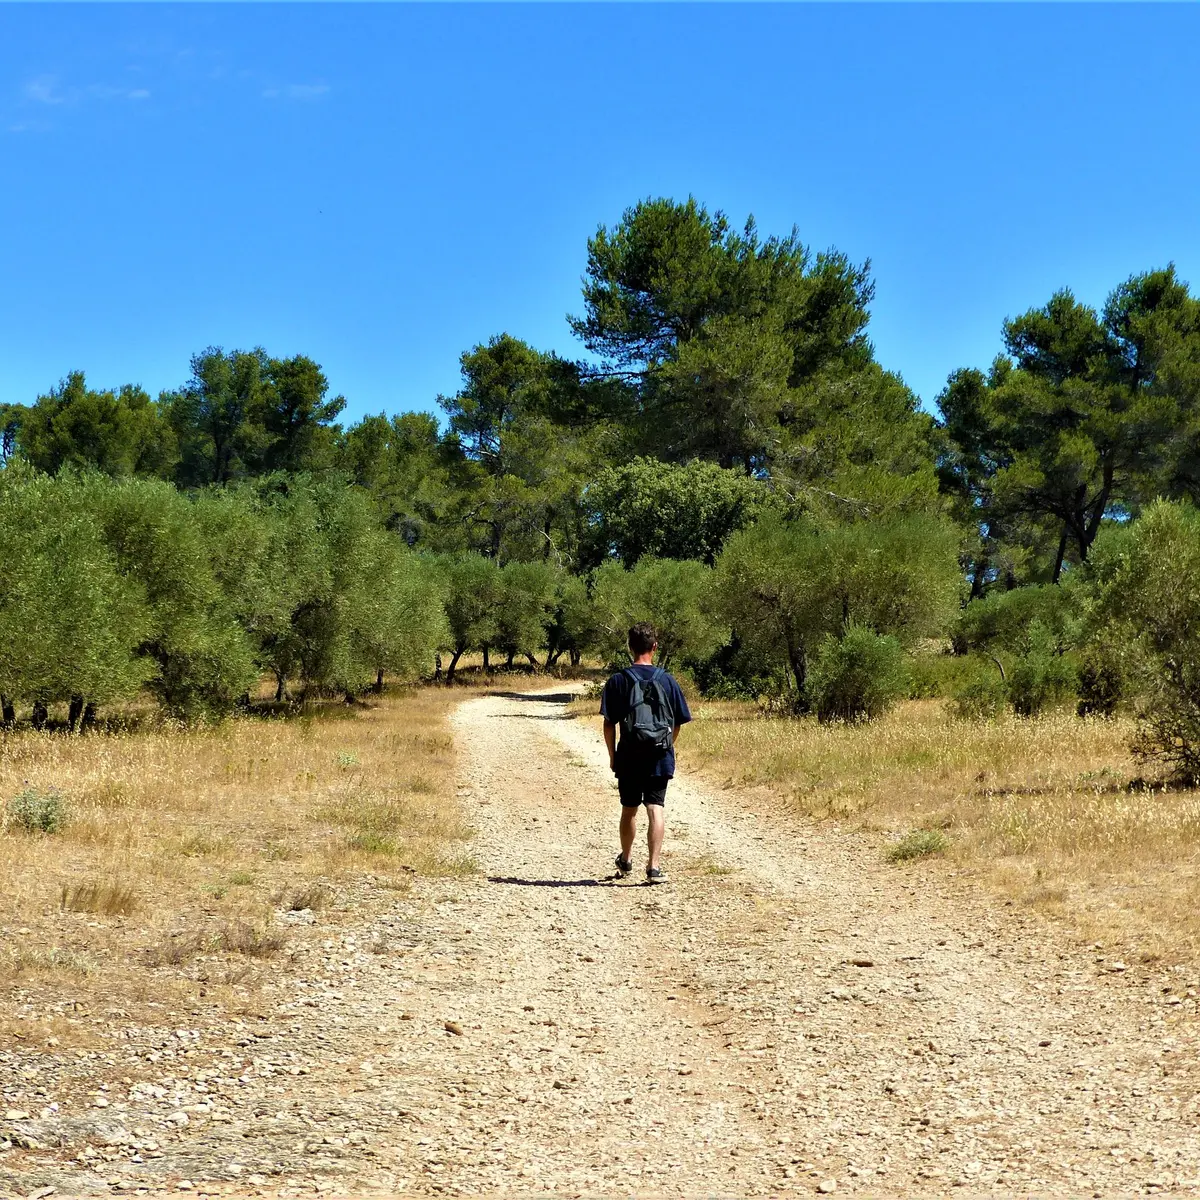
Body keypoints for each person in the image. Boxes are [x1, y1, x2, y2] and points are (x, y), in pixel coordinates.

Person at [600, 622, 692, 884]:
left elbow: (609, 723)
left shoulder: (618, 681)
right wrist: (666, 745)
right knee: (656, 808)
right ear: (654, 647)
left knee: (629, 809)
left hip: (628, 755)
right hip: (659, 756)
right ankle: (653, 868)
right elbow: (677, 723)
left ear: (630, 647)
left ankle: (626, 860)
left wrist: (612, 756)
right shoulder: (667, 680)